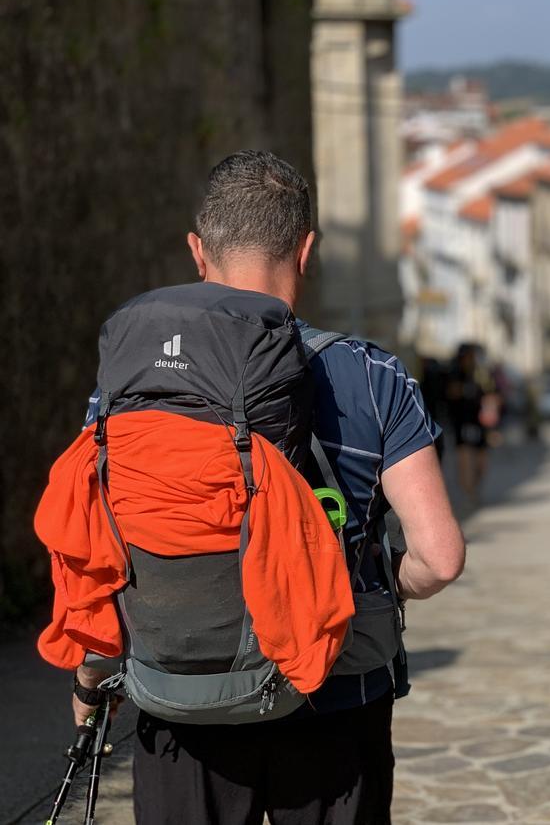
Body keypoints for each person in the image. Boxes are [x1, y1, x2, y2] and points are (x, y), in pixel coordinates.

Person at [70, 150, 466, 824]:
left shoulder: (131, 386)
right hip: (336, 697)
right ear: (306, 250)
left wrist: (89, 682)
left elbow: (100, 547)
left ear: (198, 251)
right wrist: (378, 584)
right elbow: (441, 558)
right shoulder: (373, 376)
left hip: (183, 704)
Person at [445, 342, 500, 505]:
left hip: (481, 424)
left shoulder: (483, 373)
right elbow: (451, 393)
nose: (472, 359)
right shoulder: (455, 373)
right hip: (462, 422)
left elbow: (493, 396)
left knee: (482, 462)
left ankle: (473, 488)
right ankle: (468, 492)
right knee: (465, 459)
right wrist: (467, 390)